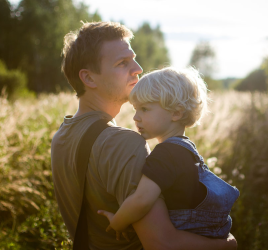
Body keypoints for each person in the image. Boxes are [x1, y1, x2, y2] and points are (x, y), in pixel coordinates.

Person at [51, 21, 237, 250]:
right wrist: (228, 245)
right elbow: (162, 243)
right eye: (122, 63)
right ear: (89, 79)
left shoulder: (62, 135)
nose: (138, 68)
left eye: (134, 58)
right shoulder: (123, 143)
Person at [98, 67, 240, 240]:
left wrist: (117, 222)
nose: (136, 117)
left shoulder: (166, 154)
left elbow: (141, 200)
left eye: (145, 109)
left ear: (176, 113)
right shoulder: (186, 149)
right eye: (136, 109)